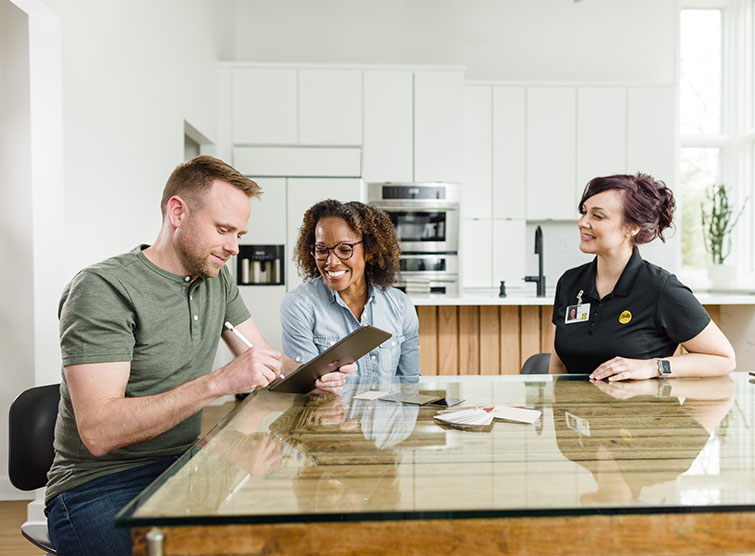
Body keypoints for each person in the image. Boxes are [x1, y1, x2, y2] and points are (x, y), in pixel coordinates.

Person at [45, 156, 355, 556]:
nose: (234, 247)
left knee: (284, 540)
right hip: (99, 485)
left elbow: (264, 359)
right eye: (224, 230)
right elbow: (100, 432)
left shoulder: (216, 279)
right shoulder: (103, 289)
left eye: (239, 233)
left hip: (187, 464)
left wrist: (312, 374)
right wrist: (220, 382)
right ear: (177, 213)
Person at [549, 173, 736, 380]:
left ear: (631, 227)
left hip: (641, 411)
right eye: (584, 212)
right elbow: (558, 366)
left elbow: (723, 358)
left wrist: (653, 367)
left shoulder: (661, 288)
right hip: (576, 411)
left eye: (597, 216)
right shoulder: (570, 282)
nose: (583, 222)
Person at [280, 199, 419, 381]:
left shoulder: (400, 305)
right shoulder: (299, 305)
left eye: (344, 249)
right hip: (328, 410)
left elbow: (410, 383)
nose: (331, 262)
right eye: (321, 250)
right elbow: (307, 386)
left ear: (369, 251)